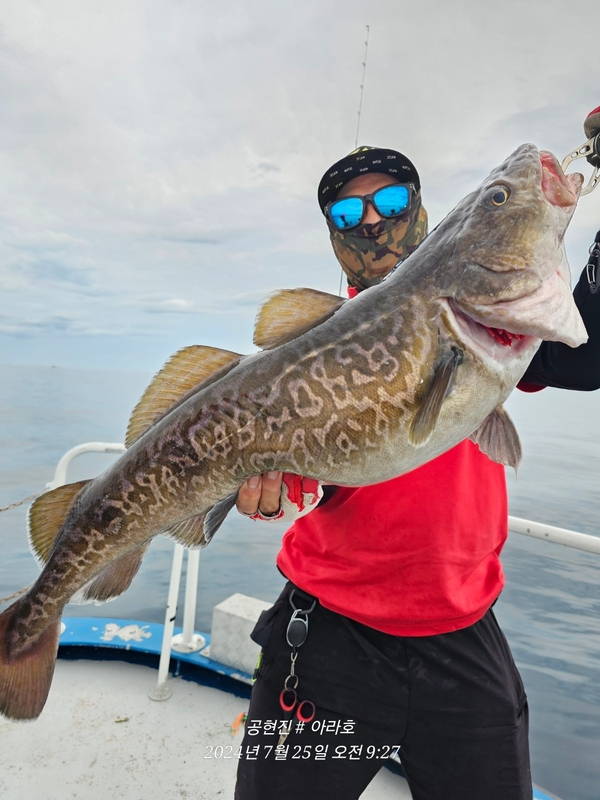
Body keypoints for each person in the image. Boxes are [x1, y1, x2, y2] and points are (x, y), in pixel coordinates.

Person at [233, 146, 600, 800]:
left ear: (423, 209)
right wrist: (269, 496)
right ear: (333, 233)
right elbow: (296, 485)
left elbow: (587, 359)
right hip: (324, 636)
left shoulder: (489, 315)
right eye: (348, 211)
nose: (373, 220)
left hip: (461, 633)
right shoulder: (302, 354)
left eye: (391, 199)